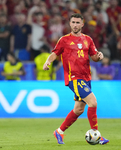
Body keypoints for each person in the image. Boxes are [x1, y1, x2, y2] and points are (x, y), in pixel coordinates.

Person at [43, 13, 109, 145]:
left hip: (86, 78)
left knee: (79, 109)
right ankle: (96, 135)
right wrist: (48, 61)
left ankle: (59, 131)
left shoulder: (88, 40)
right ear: (70, 23)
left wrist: (99, 56)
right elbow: (55, 53)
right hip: (74, 78)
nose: (75, 25)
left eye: (78, 22)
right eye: (73, 22)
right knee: (93, 102)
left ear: (82, 24)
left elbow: (94, 57)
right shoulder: (64, 40)